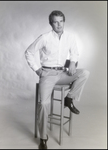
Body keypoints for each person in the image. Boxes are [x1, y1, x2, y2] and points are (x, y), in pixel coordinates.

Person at [25, 10, 90, 149]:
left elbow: (75, 52)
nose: (59, 25)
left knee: (84, 73)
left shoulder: (70, 37)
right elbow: (29, 52)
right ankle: (43, 138)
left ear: (64, 22)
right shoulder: (44, 37)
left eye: (61, 21)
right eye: (55, 22)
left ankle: (69, 98)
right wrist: (37, 69)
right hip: (47, 75)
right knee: (43, 104)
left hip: (62, 73)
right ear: (51, 23)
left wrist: (73, 62)